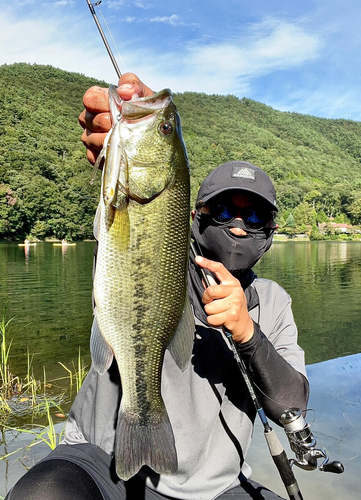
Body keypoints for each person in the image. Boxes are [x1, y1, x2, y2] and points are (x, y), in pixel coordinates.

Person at [6, 74, 309, 500]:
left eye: (254, 216)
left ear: (270, 231)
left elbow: (293, 403)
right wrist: (117, 148)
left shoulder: (274, 302)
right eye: (223, 209)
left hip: (216, 488)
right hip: (101, 461)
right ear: (194, 213)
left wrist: (247, 334)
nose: (239, 227)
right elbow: (121, 245)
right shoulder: (171, 257)